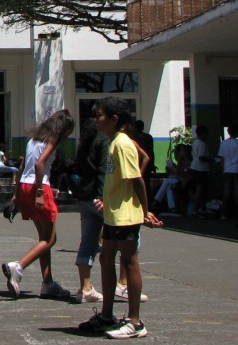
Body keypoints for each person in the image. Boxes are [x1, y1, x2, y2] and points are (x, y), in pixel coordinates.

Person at [78, 97, 162, 339]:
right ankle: (106, 315)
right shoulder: (113, 141)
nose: (96, 120)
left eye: (100, 115)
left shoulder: (122, 144)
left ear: (114, 119)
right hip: (113, 213)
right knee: (106, 258)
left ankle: (135, 321)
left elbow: (136, 180)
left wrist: (145, 211)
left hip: (126, 215)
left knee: (129, 261)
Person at [1, 109, 76, 300]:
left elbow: (22, 167)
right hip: (38, 186)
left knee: (43, 238)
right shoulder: (52, 140)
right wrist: (41, 191)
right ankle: (18, 267)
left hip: (25, 186)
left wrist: (15, 195)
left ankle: (48, 283)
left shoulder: (33, 140)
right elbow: (39, 164)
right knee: (50, 239)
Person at [72, 115, 109, 304]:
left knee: (87, 241)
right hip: (98, 197)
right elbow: (104, 169)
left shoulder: (84, 142)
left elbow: (77, 167)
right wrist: (103, 195)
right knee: (131, 240)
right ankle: (123, 283)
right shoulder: (104, 140)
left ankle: (85, 287)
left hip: (85, 196)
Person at [218, 125, 238, 220]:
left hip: (227, 170)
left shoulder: (223, 144)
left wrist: (223, 171)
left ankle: (225, 213)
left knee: (227, 193)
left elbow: (222, 159)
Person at [190, 125, 212, 216]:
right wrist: (211, 160)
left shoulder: (195, 142)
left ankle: (200, 208)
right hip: (201, 169)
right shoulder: (202, 144)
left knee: (200, 189)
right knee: (201, 189)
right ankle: (196, 209)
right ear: (203, 134)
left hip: (195, 167)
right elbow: (201, 157)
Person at [133, 120, 156, 197]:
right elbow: (151, 152)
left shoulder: (133, 137)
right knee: (146, 183)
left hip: (136, 163)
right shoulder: (148, 137)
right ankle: (148, 202)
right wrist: (152, 164)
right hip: (146, 164)